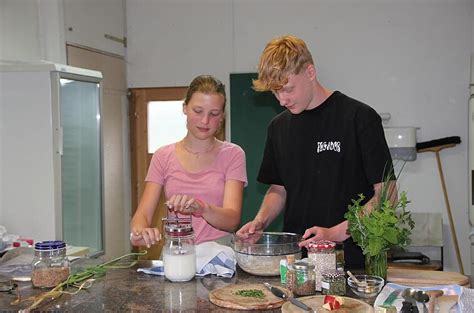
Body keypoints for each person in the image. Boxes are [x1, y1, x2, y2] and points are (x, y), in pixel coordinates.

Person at [236, 35, 395, 268]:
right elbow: (279, 189)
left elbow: (387, 194)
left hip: (353, 263)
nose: (282, 100)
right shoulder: (278, 127)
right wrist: (260, 221)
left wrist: (335, 232)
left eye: (288, 89)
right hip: (297, 264)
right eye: (275, 93)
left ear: (310, 72)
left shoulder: (359, 118)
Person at [131, 75, 247, 248]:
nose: (205, 121)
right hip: (176, 252)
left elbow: (231, 220)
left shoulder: (233, 155)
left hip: (219, 255)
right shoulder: (163, 156)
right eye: (198, 111)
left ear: (222, 116)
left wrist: (202, 209)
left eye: (213, 114)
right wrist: (140, 231)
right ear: (185, 107)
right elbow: (142, 216)